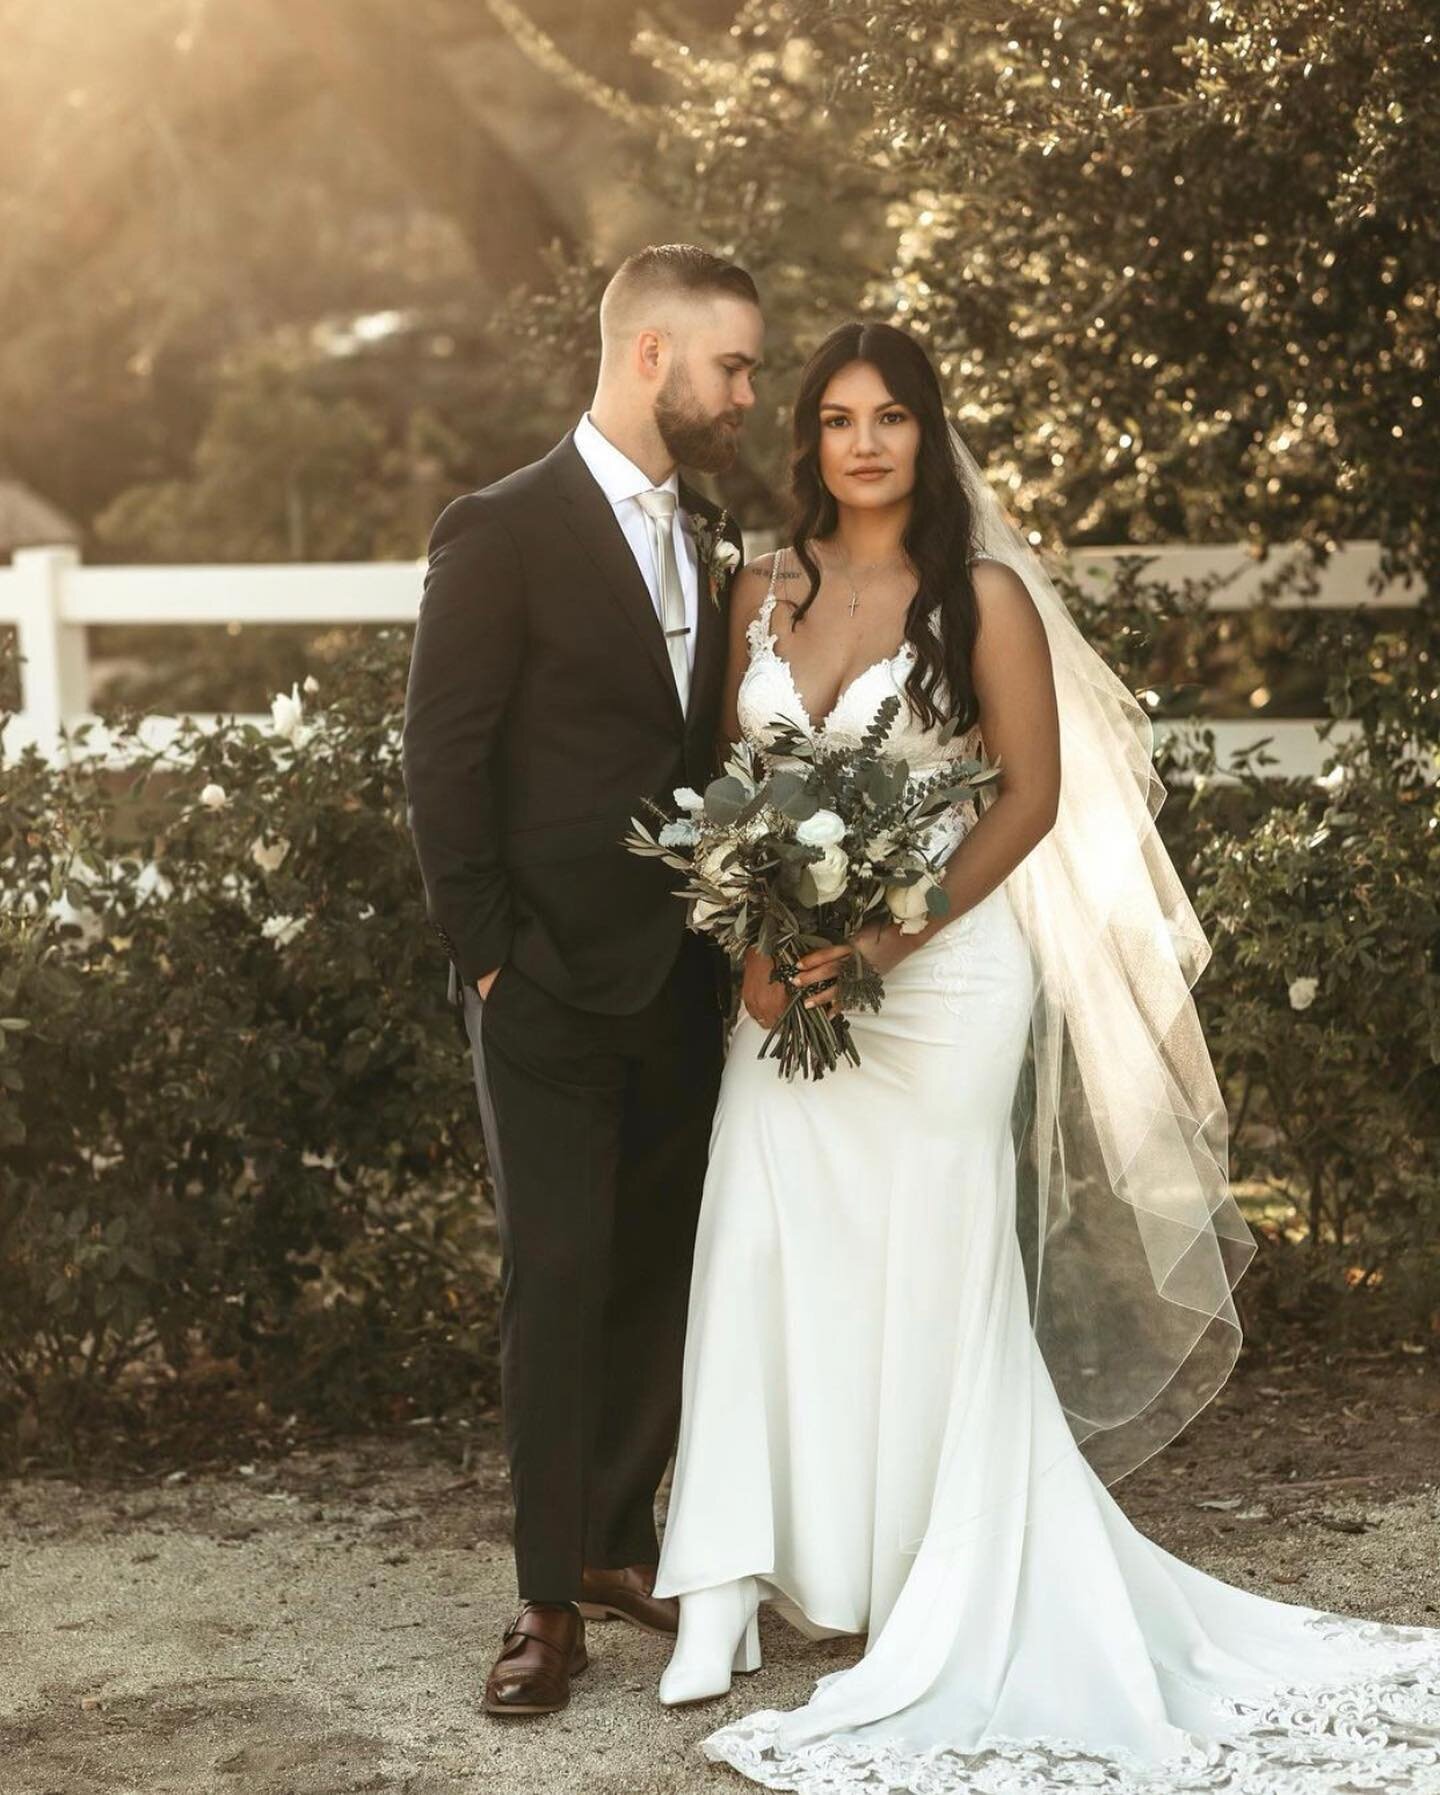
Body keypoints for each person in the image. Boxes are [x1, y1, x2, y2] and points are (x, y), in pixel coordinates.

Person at [651, 320, 1440, 1791]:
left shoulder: (982, 597)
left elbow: (1027, 801)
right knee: (753, 1235)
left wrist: (889, 939)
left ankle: (915, 1573)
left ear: (926, 432)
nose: (865, 442)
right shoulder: (760, 589)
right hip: (785, 979)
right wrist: (755, 939)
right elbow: (728, 790)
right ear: (809, 441)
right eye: (835, 418)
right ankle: (721, 1584)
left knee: (931, 1252)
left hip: (945, 977)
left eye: (892, 416)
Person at [401, 244, 759, 1716]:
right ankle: (547, 1602)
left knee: (660, 1275)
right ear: (652, 354)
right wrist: (493, 962)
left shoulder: (715, 531)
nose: (748, 392)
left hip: (688, 978)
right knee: (554, 1283)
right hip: (545, 985)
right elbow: (443, 757)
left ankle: (621, 1541)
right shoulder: (500, 528)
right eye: (732, 365)